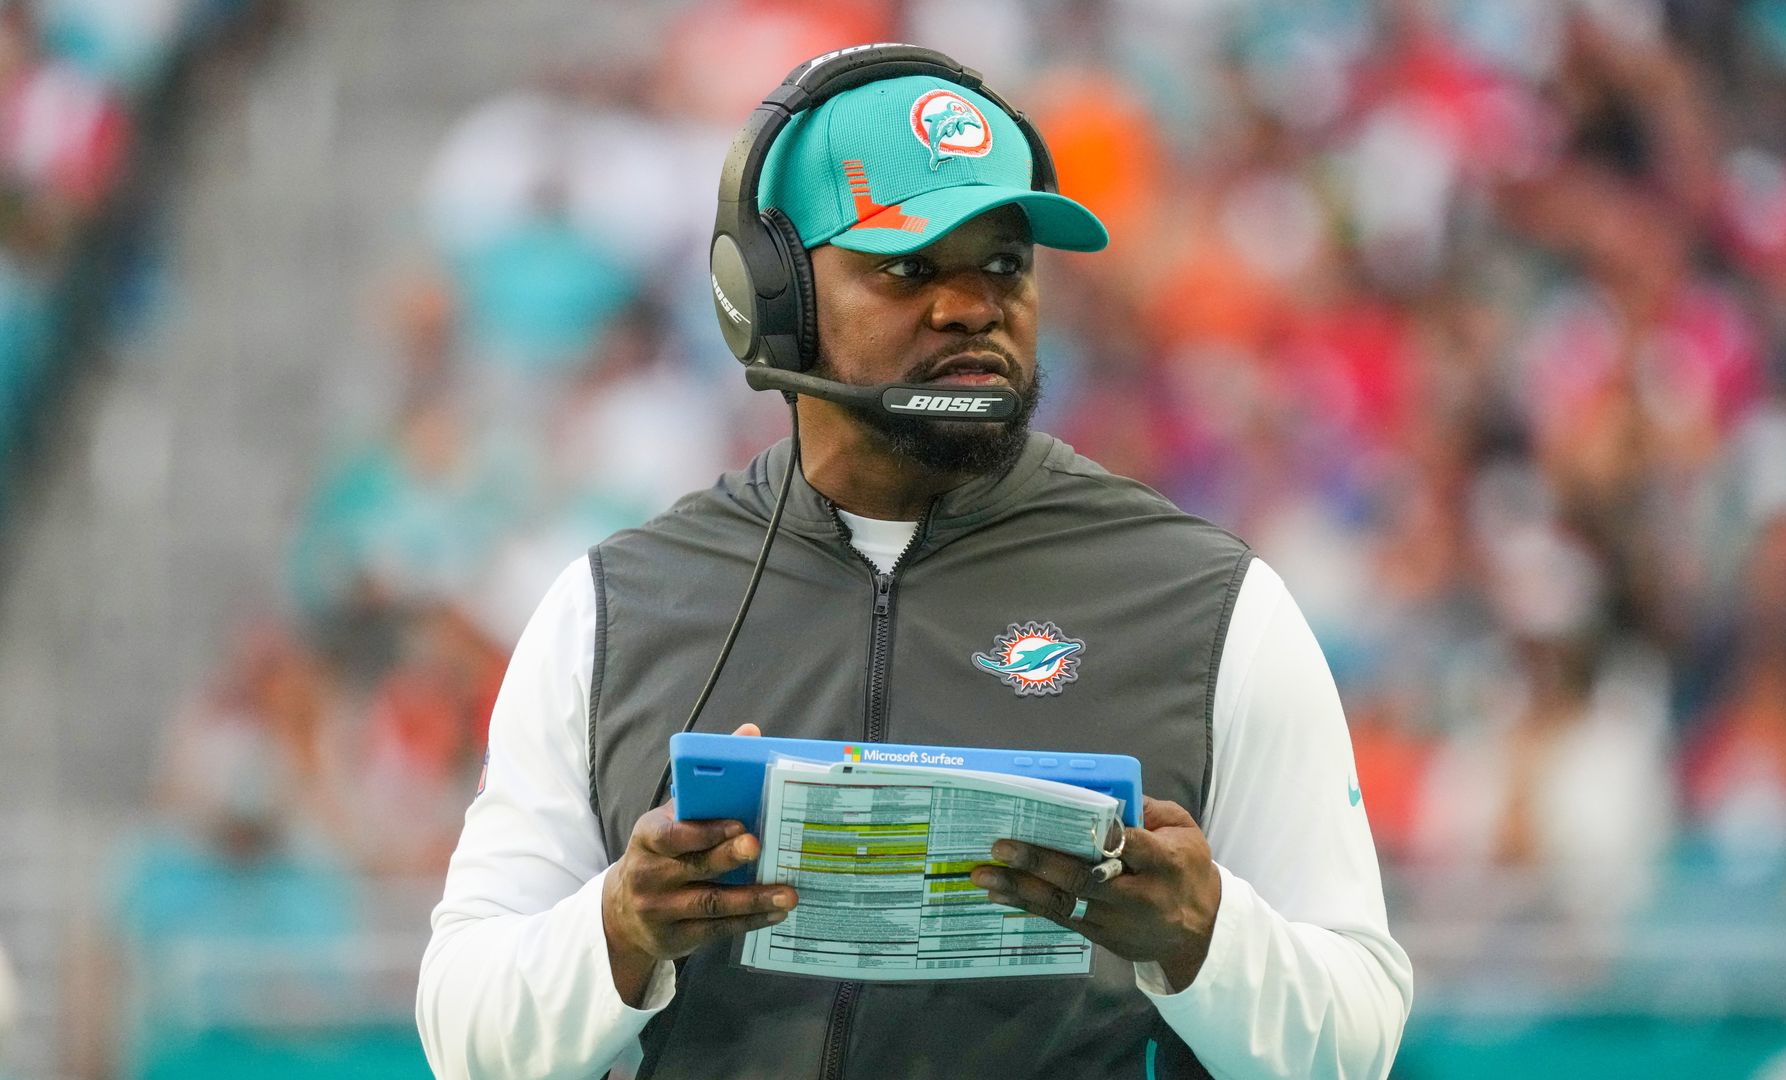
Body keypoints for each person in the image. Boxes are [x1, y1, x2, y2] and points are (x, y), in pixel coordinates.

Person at [417, 46, 1411, 1080]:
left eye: (1005, 266)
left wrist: (1206, 937)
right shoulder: (614, 609)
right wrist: (618, 933)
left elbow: (1357, 1036)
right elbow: (465, 1034)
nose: (972, 306)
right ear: (774, 295)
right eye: (910, 267)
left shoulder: (1210, 606)